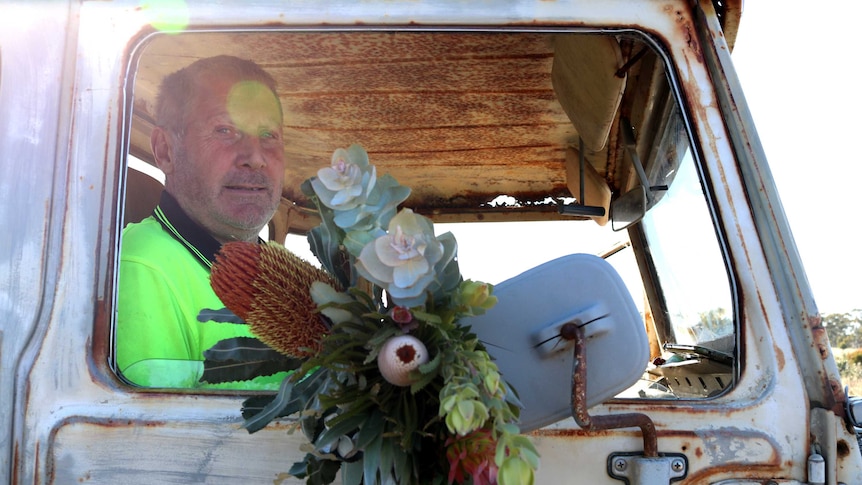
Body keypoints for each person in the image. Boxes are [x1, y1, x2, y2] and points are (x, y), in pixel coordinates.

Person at [117, 55, 286, 388]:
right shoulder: (143, 267)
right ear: (165, 151)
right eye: (225, 130)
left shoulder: (280, 273)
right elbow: (161, 436)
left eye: (268, 134)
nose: (255, 157)